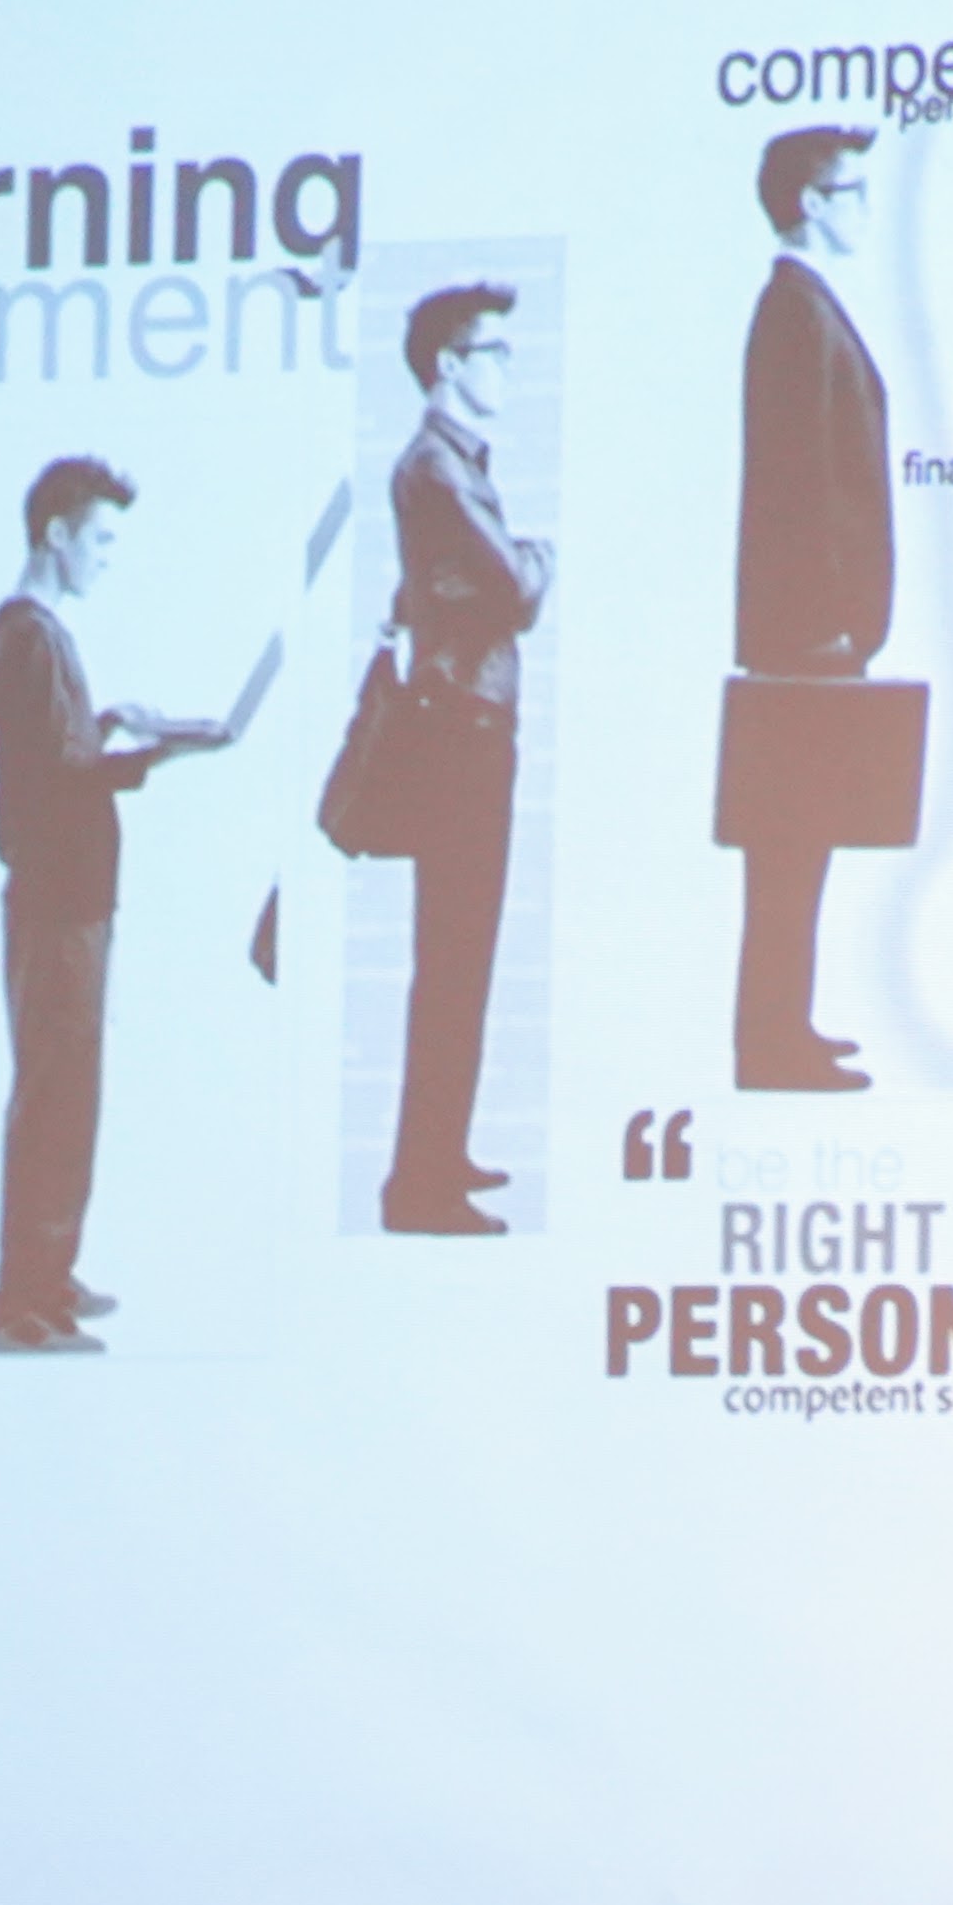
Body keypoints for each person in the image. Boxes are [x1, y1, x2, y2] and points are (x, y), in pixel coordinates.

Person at [0, 455, 223, 1351]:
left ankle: (47, 1274)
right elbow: (62, 776)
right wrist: (165, 751)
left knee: (67, 1087)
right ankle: (24, 1302)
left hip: (66, 893)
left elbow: (52, 752)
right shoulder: (31, 636)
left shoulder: (29, 635)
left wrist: (110, 725)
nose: (107, 558)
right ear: (57, 534)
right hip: (58, 897)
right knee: (56, 1090)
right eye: (101, 540)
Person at [377, 282, 552, 1232]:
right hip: (462, 735)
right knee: (452, 956)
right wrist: (540, 557)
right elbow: (515, 589)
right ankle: (420, 1185)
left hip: (467, 726)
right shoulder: (438, 471)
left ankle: (437, 1156)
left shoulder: (449, 467)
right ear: (447, 363)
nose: (507, 370)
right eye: (495, 353)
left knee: (462, 957)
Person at [725, 122, 887, 1093]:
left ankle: (785, 1027)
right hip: (805, 638)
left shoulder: (807, 308)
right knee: (788, 846)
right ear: (814, 204)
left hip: (815, 633)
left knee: (802, 842)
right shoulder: (793, 312)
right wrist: (828, 622)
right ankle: (770, 1045)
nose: (867, 207)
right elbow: (795, 487)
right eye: (854, 190)